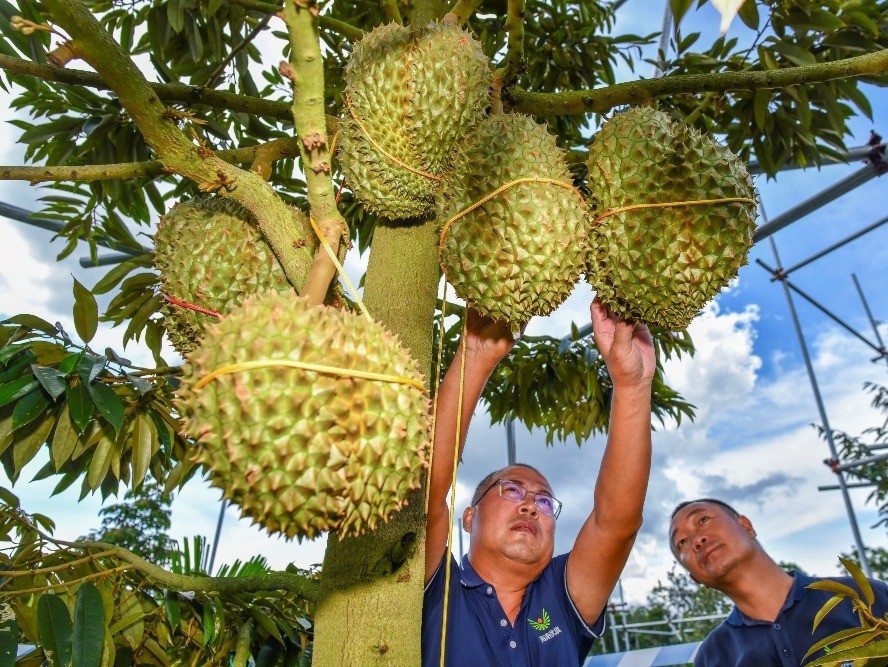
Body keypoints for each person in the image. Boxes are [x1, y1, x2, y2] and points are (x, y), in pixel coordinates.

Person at [422, 298, 656, 666]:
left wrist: (633, 384)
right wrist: (476, 356)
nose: (531, 504)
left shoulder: (562, 594)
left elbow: (617, 523)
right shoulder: (438, 590)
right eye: (512, 489)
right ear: (469, 517)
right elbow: (424, 492)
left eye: (545, 501)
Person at [669, 498, 888, 666]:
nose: (697, 540)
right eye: (682, 543)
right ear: (695, 578)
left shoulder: (861, 596)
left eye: (703, 520)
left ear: (746, 526)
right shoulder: (713, 655)